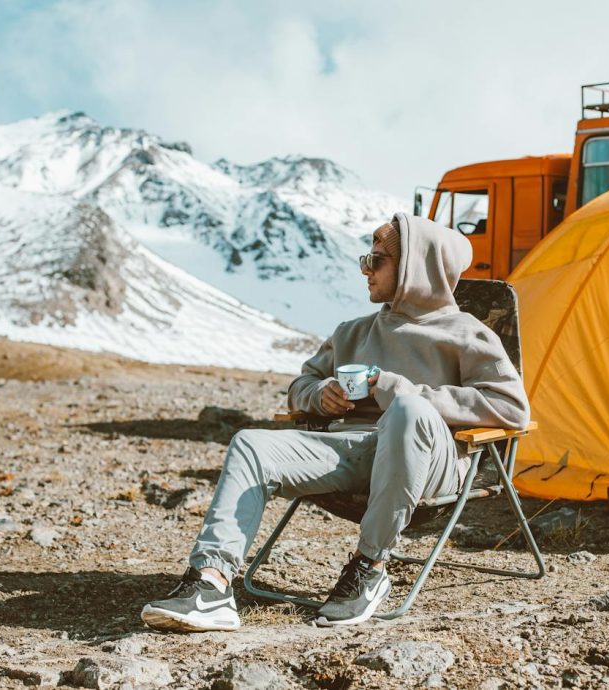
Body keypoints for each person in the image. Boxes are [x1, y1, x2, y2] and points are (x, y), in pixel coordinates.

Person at [140, 212, 530, 631]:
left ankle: (371, 566)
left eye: (376, 260)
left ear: (415, 266)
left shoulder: (467, 333)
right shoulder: (354, 331)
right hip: (351, 453)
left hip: (430, 464)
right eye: (366, 258)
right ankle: (212, 584)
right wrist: (319, 396)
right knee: (251, 443)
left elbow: (511, 408)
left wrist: (402, 390)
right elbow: (300, 385)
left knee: (408, 410)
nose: (364, 269)